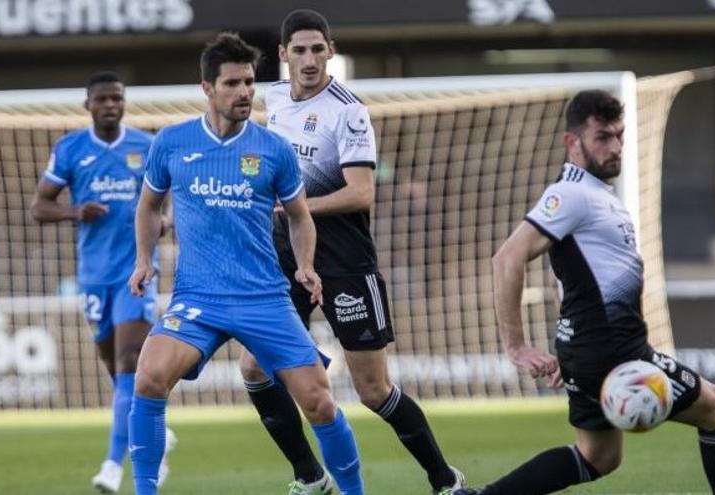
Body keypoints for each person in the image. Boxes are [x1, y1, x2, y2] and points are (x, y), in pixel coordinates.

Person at [455, 90, 715, 495]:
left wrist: (574, 345)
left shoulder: (592, 192)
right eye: (603, 138)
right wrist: (516, 346)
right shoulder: (571, 194)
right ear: (572, 142)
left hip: (590, 347)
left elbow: (572, 273)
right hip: (615, 351)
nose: (616, 148)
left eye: (619, 136)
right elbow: (506, 259)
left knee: (598, 456)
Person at [236, 9, 465, 495]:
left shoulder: (348, 111)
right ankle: (309, 476)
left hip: (345, 263)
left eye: (318, 49)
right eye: (299, 50)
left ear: (331, 52)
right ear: (283, 56)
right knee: (253, 367)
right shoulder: (272, 100)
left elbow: (362, 193)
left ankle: (445, 481)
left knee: (373, 391)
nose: (310, 59)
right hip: (287, 259)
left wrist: (294, 204)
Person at [127, 32, 363, 495]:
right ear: (207, 88)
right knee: (150, 377)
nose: (244, 93)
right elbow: (148, 206)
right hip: (198, 297)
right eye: (233, 83)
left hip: (264, 297)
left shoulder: (273, 149)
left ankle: (354, 491)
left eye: (250, 83)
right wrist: (143, 261)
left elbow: (299, 217)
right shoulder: (172, 143)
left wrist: (307, 266)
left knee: (318, 402)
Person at [29, 71, 175, 494]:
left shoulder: (146, 147)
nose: (111, 105)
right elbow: (39, 206)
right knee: (116, 370)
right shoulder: (71, 148)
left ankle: (113, 465)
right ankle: (155, 433)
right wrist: (74, 212)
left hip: (138, 272)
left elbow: (170, 200)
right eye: (103, 99)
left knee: (131, 360)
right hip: (93, 277)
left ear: (124, 103)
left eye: (117, 98)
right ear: (88, 105)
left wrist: (165, 222)